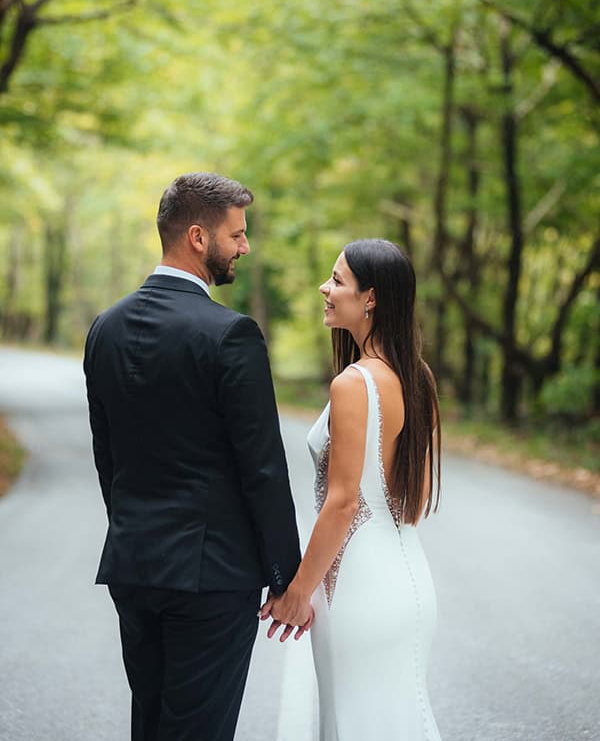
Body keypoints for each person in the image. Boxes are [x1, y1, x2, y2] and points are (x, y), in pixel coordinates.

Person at [84, 172, 306, 741]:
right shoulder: (231, 334)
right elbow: (262, 467)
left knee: (151, 725)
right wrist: (285, 575)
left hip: (134, 566)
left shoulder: (104, 329)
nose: (245, 247)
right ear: (199, 238)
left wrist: (134, 529)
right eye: (238, 234)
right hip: (212, 578)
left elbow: (107, 455)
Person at [261, 238, 442, 740]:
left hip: (359, 594)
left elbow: (343, 502)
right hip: (410, 587)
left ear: (371, 299)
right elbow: (414, 500)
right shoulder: (417, 377)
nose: (325, 287)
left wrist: (298, 593)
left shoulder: (354, 384)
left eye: (337, 280)